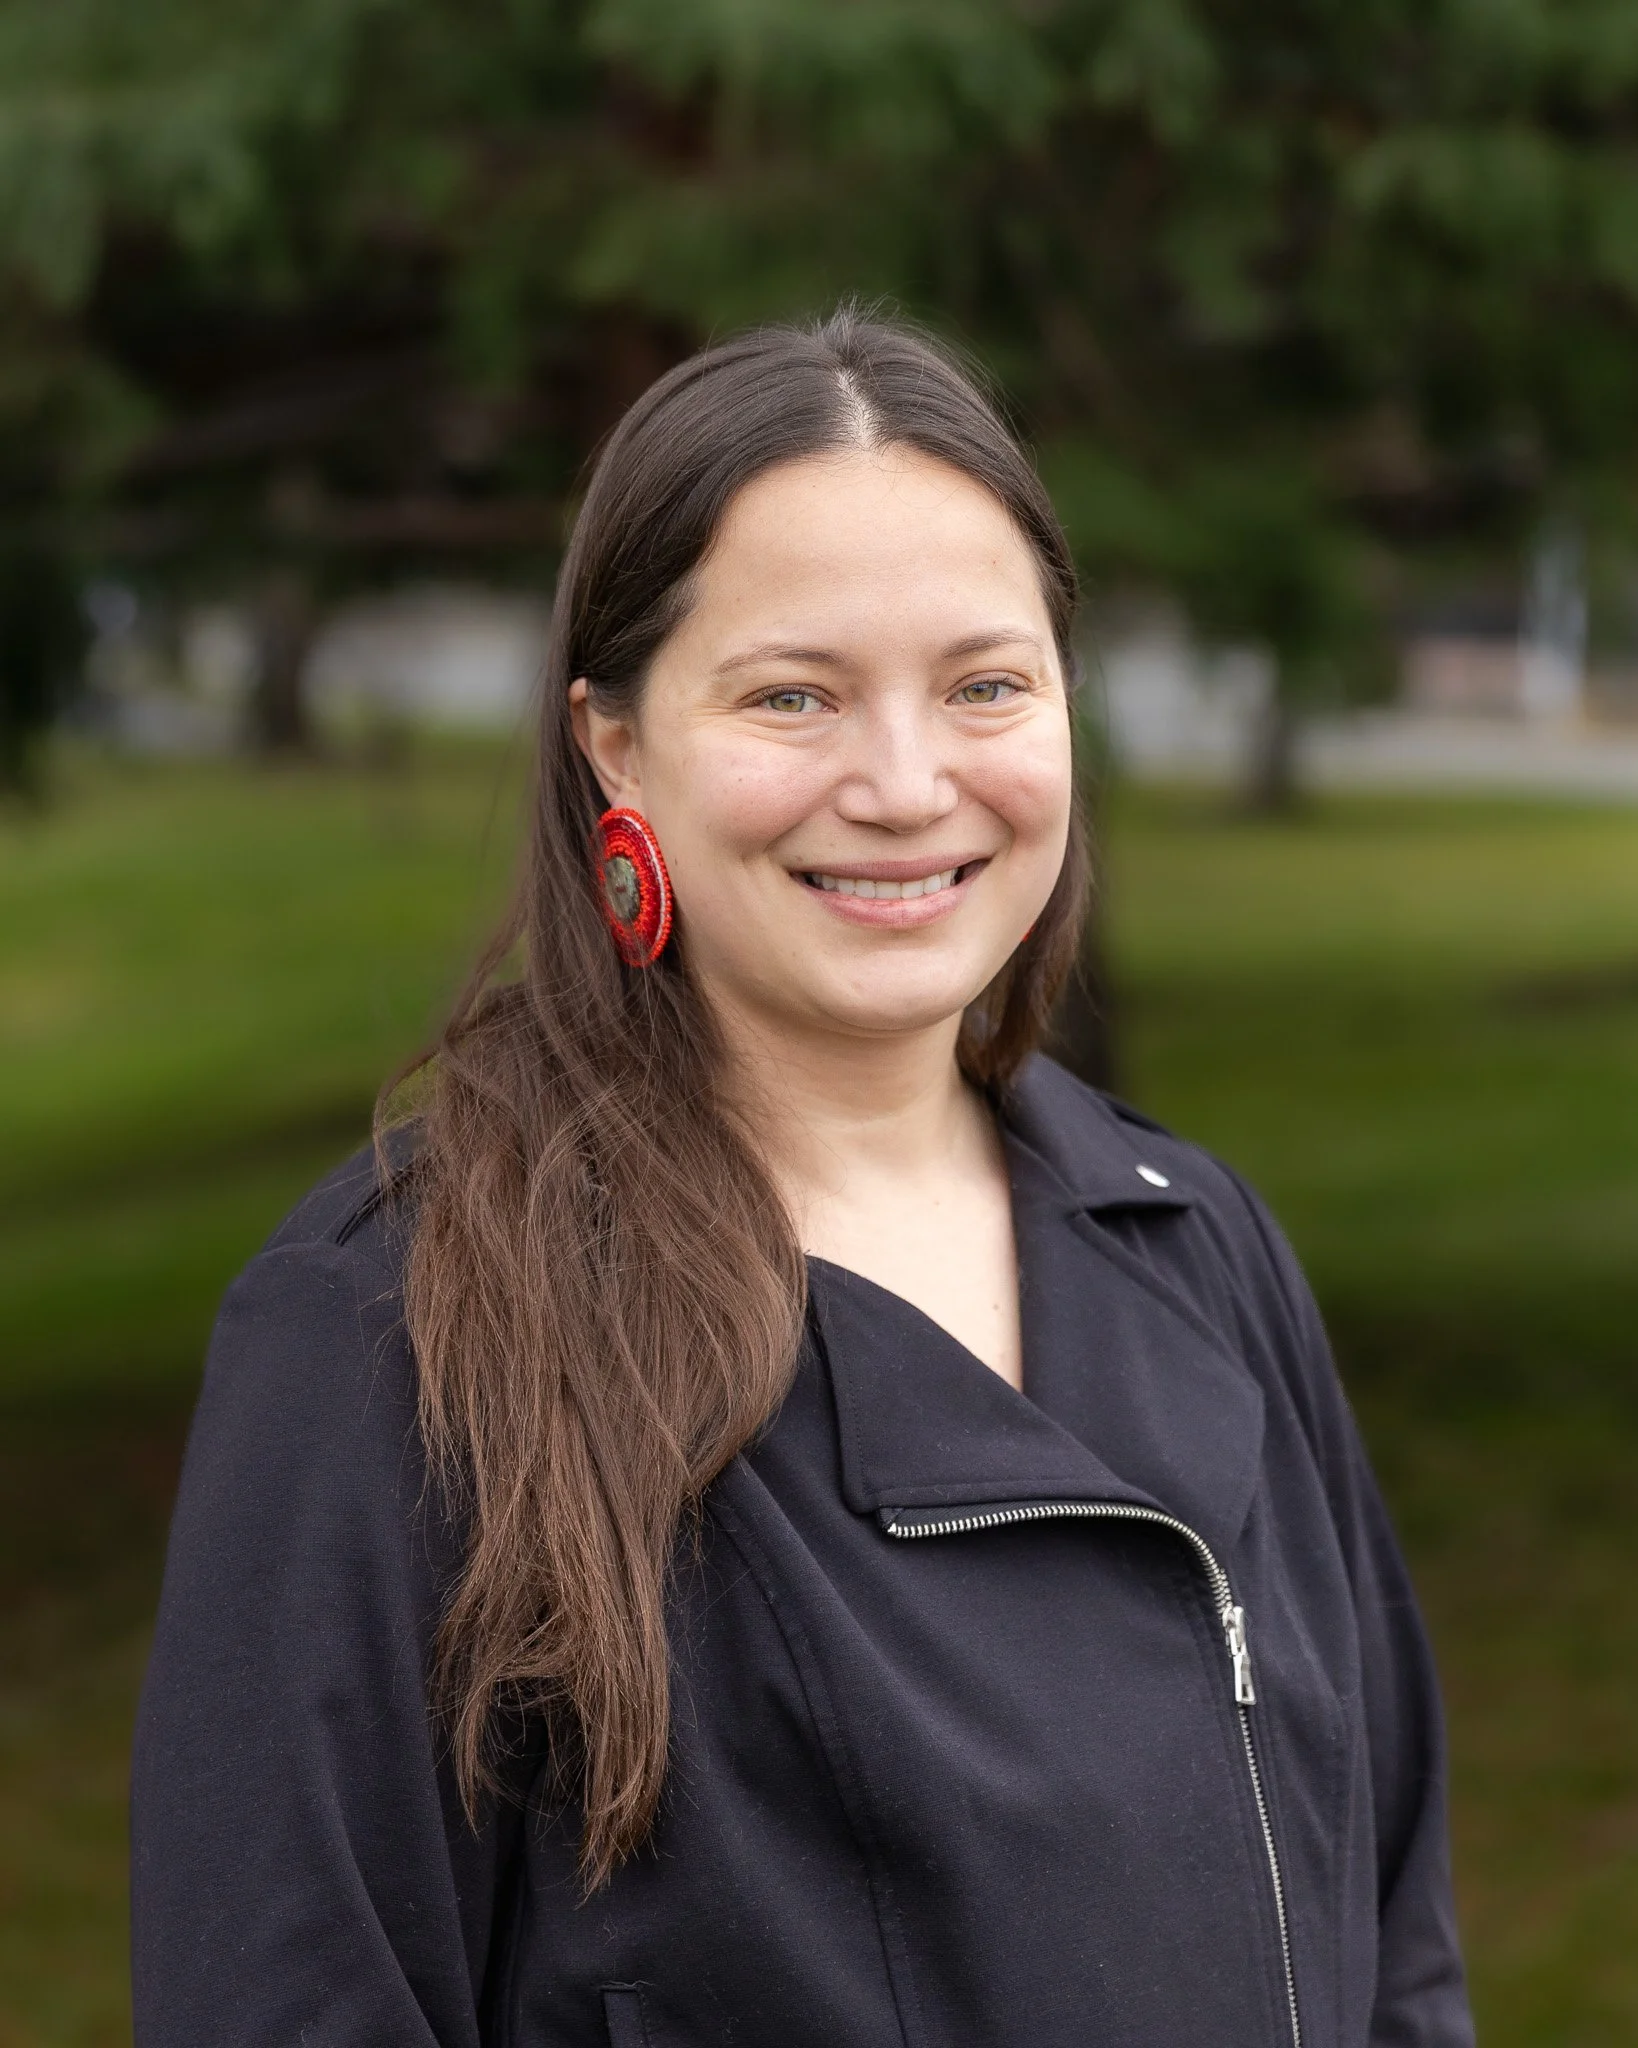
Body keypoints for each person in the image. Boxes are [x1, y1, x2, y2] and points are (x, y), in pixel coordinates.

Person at [131, 310, 1473, 2048]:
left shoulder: (1194, 1240)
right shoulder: (395, 1325)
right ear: (613, 743)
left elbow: (1395, 1937)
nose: (905, 786)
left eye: (985, 684)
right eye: (793, 696)